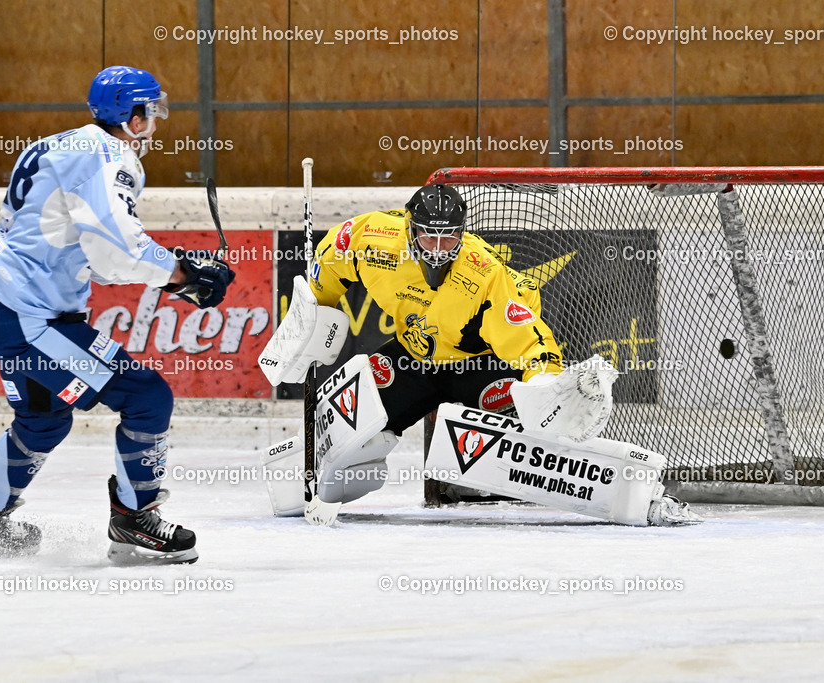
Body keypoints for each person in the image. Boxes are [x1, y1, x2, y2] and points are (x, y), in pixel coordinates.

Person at [260, 184, 699, 526]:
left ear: (462, 232)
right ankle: (296, 482)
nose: (438, 249)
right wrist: (312, 315)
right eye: (427, 238)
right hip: (414, 358)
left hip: (479, 365)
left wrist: (545, 385)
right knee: (357, 423)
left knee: (523, 443)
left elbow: (526, 336)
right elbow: (331, 259)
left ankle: (635, 493)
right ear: (409, 229)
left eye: (448, 237)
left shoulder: (484, 272)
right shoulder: (372, 238)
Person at [0, 66, 235, 564]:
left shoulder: (56, 144)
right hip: (27, 314)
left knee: (43, 420)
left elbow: (94, 255)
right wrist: (183, 272)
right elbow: (118, 250)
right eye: (149, 112)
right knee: (147, 396)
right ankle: (134, 518)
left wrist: (176, 272)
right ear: (129, 117)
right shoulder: (111, 159)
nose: (154, 123)